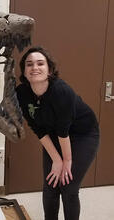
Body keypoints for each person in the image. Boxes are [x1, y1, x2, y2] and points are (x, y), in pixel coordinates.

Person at [16, 46, 100, 220]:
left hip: (82, 135)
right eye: (29, 64)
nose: (35, 68)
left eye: (40, 63)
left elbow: (64, 131)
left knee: (68, 186)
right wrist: (56, 159)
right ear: (24, 71)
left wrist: (66, 161)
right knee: (50, 185)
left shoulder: (61, 91)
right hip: (54, 135)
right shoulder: (22, 93)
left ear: (50, 69)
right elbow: (37, 129)